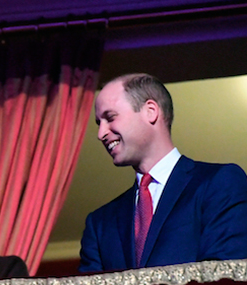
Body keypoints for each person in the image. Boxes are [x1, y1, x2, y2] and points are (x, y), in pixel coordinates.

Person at [79, 73, 247, 272]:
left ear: (151, 111)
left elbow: (224, 284)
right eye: (99, 124)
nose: (101, 134)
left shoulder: (220, 184)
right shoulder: (99, 224)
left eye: (110, 117)